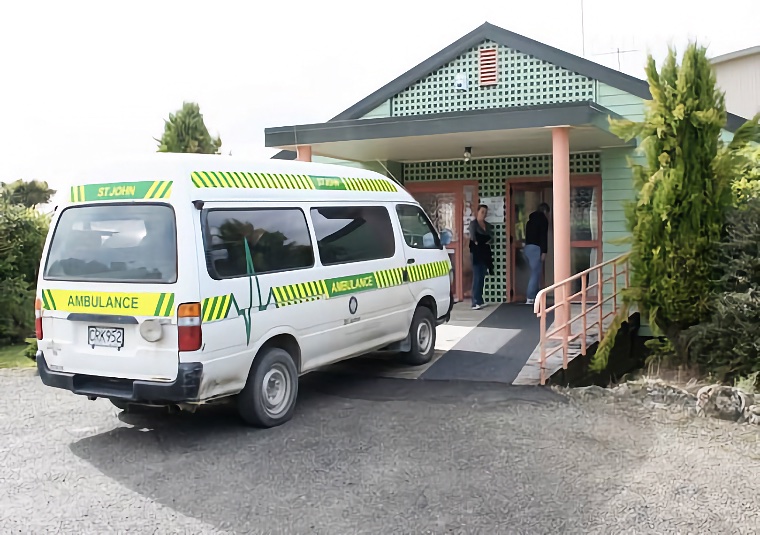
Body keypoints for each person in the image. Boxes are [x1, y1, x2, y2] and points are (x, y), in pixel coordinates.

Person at [468, 204, 494, 310]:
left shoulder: (487, 225)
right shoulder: (473, 224)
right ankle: (474, 301)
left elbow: (491, 238)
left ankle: (480, 299)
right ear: (477, 212)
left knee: (482, 277)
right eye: (482, 212)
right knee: (477, 277)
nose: (484, 214)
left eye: (485, 212)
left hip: (485, 253)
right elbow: (474, 239)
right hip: (476, 253)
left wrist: (482, 240)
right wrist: (481, 241)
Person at [524, 202, 550, 305]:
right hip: (536, 248)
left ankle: (535, 296)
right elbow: (543, 236)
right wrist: (544, 251)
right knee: (535, 273)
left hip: (528, 247)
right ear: (545, 211)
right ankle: (530, 297)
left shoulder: (530, 221)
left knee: (534, 272)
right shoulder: (543, 220)